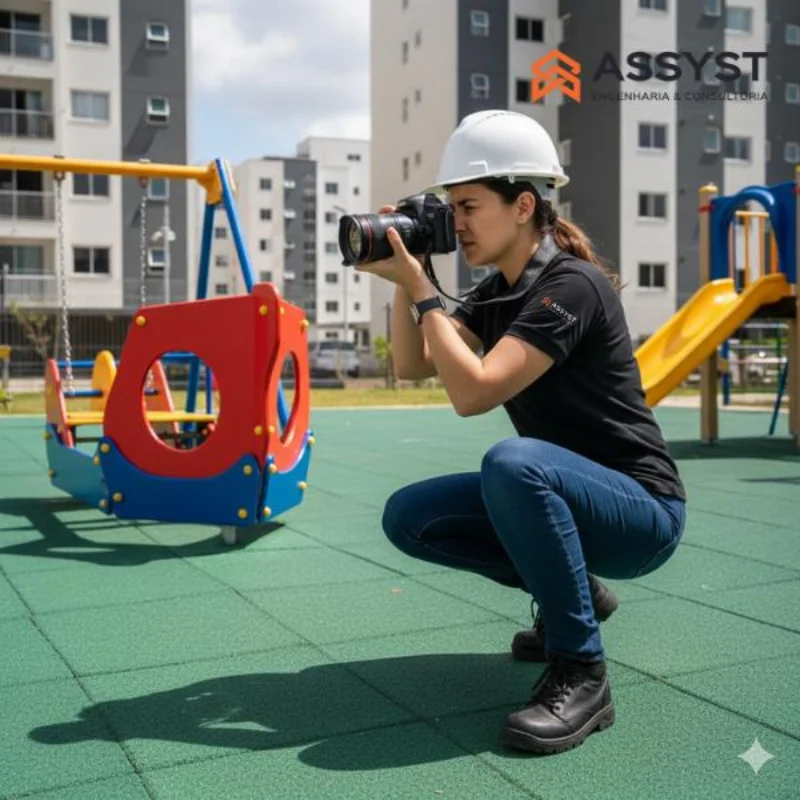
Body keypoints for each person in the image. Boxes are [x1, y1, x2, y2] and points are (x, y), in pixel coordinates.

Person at [356, 109, 686, 756]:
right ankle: (575, 594)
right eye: (451, 208)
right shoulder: (496, 294)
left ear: (523, 206)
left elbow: (474, 392)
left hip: (642, 512)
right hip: (568, 498)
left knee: (514, 463)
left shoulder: (572, 285)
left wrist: (422, 289)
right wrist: (405, 275)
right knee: (410, 516)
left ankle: (582, 671)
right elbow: (414, 364)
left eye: (469, 206)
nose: (456, 223)